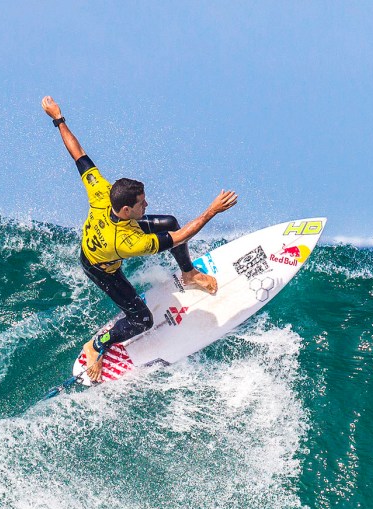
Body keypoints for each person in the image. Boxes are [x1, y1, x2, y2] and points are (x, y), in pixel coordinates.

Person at [41, 96, 238, 382]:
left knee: (168, 220)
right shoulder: (127, 243)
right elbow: (182, 236)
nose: (146, 206)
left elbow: (78, 153)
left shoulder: (101, 192)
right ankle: (97, 345)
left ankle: (190, 274)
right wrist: (212, 211)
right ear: (125, 209)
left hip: (106, 235)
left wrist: (58, 118)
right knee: (142, 320)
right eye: (141, 204)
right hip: (101, 267)